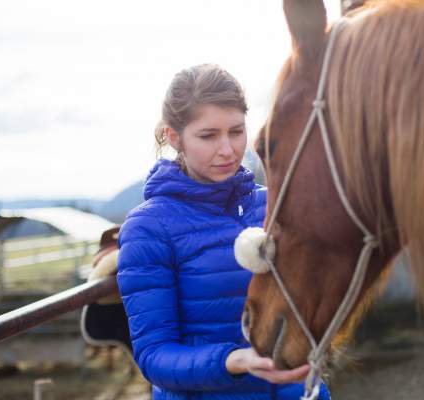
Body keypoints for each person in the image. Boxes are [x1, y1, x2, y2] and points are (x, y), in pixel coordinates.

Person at [116, 64, 330, 400]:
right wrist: (232, 361)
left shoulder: (273, 204)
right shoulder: (148, 228)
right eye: (208, 135)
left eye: (236, 131)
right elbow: (154, 356)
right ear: (175, 138)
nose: (228, 149)